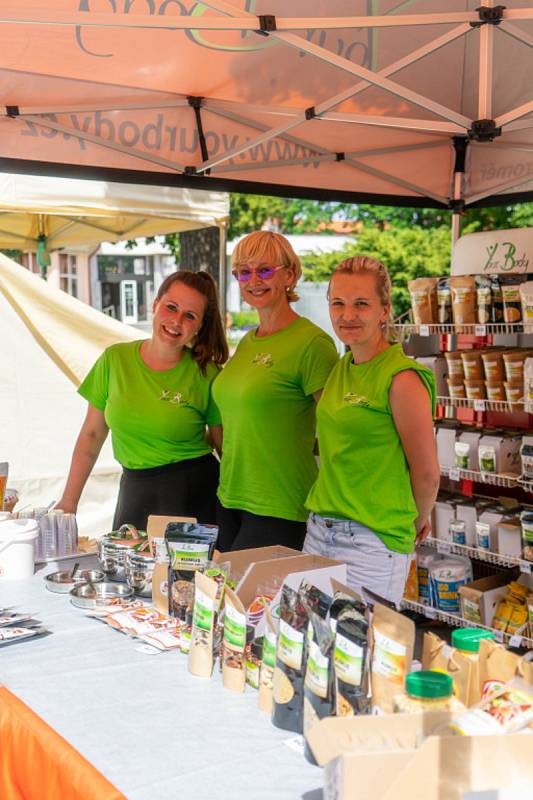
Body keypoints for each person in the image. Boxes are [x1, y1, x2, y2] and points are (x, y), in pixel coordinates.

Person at [303, 256, 440, 606]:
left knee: (359, 654)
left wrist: (418, 518)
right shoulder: (341, 367)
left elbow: (426, 473)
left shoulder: (402, 378)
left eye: (361, 304)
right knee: (308, 653)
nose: (348, 315)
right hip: (320, 530)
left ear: (384, 310)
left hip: (372, 543)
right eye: (338, 303)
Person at [57, 270, 228, 530]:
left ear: (199, 326)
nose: (176, 320)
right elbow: (91, 435)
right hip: (134, 491)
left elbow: (225, 449)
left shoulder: (208, 374)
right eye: (171, 307)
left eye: (190, 315)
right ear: (155, 305)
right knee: (126, 570)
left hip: (193, 496)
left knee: (187, 573)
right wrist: (69, 502)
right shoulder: (114, 360)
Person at [213, 231, 339, 552]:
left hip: (280, 505)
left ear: (290, 275)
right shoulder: (247, 341)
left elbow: (336, 428)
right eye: (244, 272)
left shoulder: (312, 343)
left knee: (247, 601)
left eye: (265, 270)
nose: (254, 280)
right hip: (231, 496)